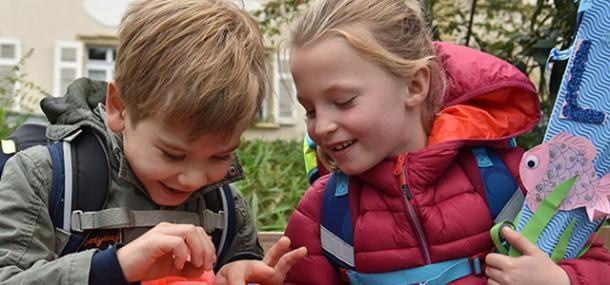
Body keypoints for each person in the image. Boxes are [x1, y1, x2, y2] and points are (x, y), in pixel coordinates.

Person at [281, 0, 610, 284]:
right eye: (309, 109)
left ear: (414, 86)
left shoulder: (511, 181)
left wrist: (561, 280)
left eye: (343, 101)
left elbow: (597, 265)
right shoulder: (324, 214)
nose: (321, 126)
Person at [0, 0, 303, 284]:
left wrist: (239, 272)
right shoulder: (44, 178)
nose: (195, 178)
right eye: (172, 154)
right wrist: (115, 266)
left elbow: (238, 264)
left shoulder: (226, 207)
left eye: (220, 157)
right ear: (119, 107)